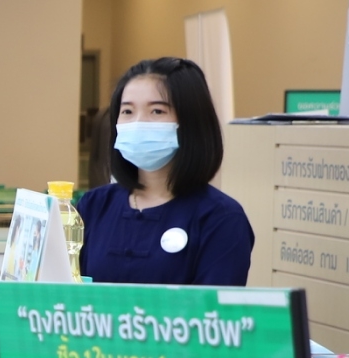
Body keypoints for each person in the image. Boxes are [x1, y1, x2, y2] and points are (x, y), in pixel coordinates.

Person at [78, 57, 253, 286]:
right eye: (127, 111)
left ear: (191, 122)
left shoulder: (220, 218)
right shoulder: (94, 206)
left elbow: (216, 316)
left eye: (157, 111)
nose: (138, 123)